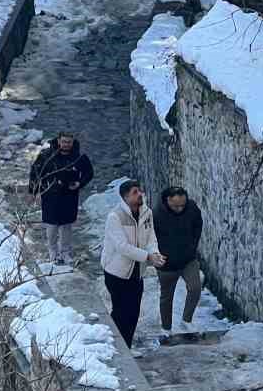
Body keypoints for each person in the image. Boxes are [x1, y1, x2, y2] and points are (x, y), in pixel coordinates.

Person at [100, 179, 163, 347]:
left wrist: (154, 253)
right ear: (125, 197)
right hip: (117, 272)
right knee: (121, 312)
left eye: (140, 191)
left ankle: (126, 346)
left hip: (137, 271)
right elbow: (122, 247)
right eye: (135, 192)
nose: (140, 194)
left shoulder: (146, 212)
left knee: (134, 312)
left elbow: (151, 237)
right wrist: (147, 257)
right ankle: (115, 346)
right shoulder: (115, 217)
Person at [29, 133, 93, 264]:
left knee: (66, 226)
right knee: (51, 226)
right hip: (50, 194)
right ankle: (53, 251)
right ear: (59, 141)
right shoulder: (47, 155)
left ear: (72, 142)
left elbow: (89, 172)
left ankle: (65, 252)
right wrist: (33, 191)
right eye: (64, 142)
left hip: (69, 195)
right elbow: (35, 172)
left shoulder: (78, 157)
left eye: (69, 142)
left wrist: (80, 183)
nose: (66, 145)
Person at [155, 186, 203, 335]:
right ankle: (166, 328)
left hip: (188, 259)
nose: (180, 208)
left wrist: (192, 246)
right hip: (167, 263)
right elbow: (150, 236)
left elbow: (198, 225)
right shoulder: (156, 213)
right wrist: (156, 255)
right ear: (168, 200)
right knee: (167, 296)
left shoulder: (192, 207)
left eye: (183, 205)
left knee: (195, 288)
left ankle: (186, 320)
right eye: (176, 206)